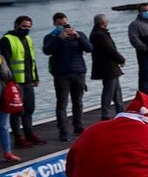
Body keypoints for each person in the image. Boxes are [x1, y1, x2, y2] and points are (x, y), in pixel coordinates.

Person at [43, 12, 94, 142]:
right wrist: (60, 38)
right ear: (55, 24)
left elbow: (89, 48)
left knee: (78, 101)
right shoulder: (51, 37)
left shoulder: (79, 34)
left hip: (78, 72)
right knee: (62, 103)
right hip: (61, 74)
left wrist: (78, 38)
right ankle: (63, 131)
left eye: (65, 23)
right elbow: (47, 51)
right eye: (60, 24)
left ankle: (79, 126)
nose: (63, 26)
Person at [0, 15, 43, 149]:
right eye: (24, 26)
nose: (26, 29)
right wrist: (11, 81)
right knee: (17, 110)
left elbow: (31, 60)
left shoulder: (28, 39)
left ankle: (29, 133)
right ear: (16, 25)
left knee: (29, 108)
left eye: (29, 27)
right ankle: (18, 137)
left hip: (28, 80)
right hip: (15, 82)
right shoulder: (7, 40)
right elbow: (5, 63)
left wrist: (35, 77)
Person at [89, 13, 126, 120]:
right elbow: (110, 49)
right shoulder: (100, 35)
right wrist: (121, 59)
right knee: (109, 92)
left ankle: (120, 111)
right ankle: (105, 114)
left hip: (111, 67)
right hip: (108, 68)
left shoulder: (98, 33)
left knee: (116, 91)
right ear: (104, 23)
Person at [0, 50, 16, 162]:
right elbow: (6, 74)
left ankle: (8, 152)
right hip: (1, 97)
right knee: (3, 125)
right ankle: (7, 152)